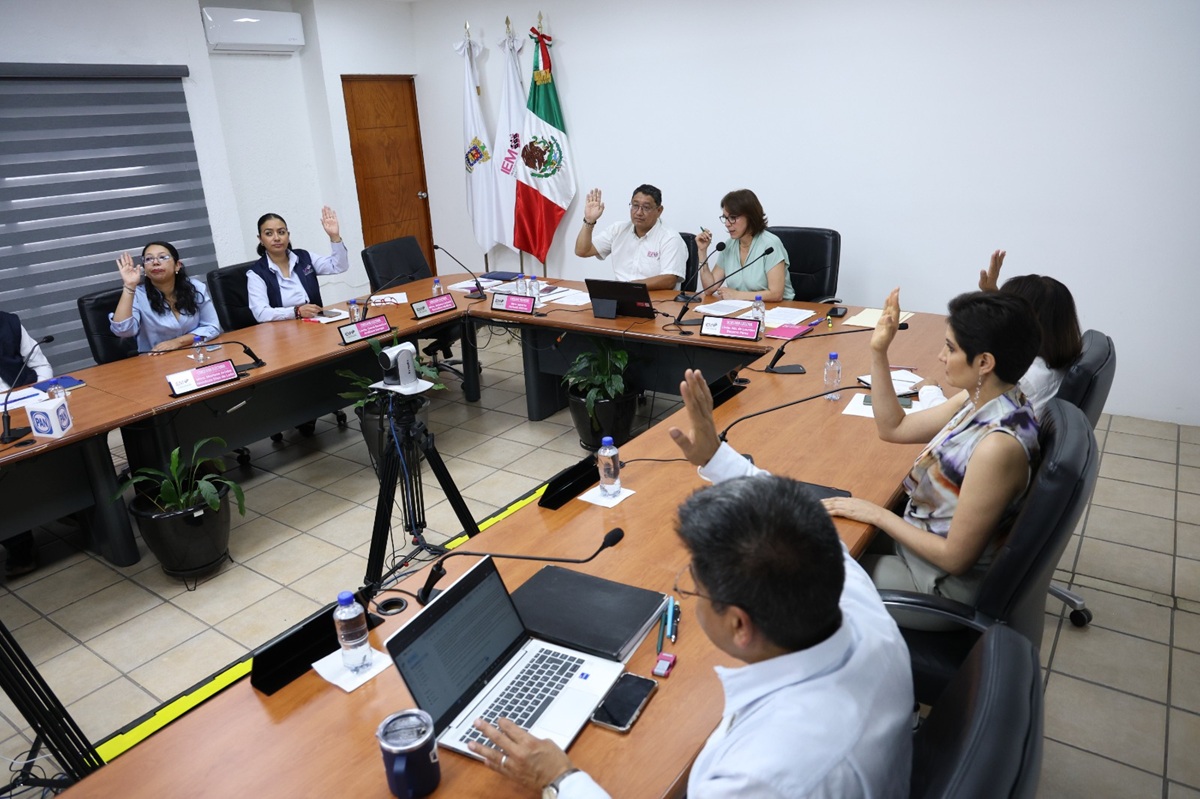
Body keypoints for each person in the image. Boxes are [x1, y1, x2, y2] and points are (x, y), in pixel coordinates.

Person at [466, 476, 913, 798]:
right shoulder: (864, 612)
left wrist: (561, 779)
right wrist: (716, 459)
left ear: (739, 625)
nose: (689, 592)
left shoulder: (764, 775)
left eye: (694, 587)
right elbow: (803, 528)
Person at [668, 288, 1042, 623]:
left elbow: (954, 558)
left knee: (783, 572)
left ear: (985, 363)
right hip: (915, 544)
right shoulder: (982, 398)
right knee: (798, 526)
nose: (940, 356)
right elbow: (893, 427)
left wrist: (877, 514)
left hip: (934, 584)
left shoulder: (997, 447)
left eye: (951, 348)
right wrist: (878, 351)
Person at [979, 249, 1083, 416]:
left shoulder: (1021, 378)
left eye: (1007, 310)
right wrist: (993, 297)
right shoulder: (1053, 362)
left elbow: (966, 418)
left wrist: (933, 390)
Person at [1, 310, 54, 577]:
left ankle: (74, 508)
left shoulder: (7, 322)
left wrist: (37, 395)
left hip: (22, 401)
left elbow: (40, 365)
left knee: (61, 446)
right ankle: (19, 544)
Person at [109, 242, 221, 352]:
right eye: (149, 259)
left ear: (177, 265)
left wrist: (178, 342)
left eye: (162, 257)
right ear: (145, 269)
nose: (155, 262)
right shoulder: (137, 295)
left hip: (196, 354)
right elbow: (123, 331)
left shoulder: (195, 288)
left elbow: (212, 327)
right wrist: (129, 286)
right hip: (155, 359)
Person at [574, 185, 687, 290]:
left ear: (659, 210)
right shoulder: (618, 230)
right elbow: (582, 251)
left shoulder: (670, 238)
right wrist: (589, 220)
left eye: (646, 207)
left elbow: (669, 280)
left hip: (656, 299)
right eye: (635, 206)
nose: (639, 212)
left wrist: (629, 287)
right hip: (621, 296)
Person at [247, 206, 348, 322]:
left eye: (281, 232)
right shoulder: (256, 274)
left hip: (315, 323)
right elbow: (261, 313)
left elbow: (339, 266)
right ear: (260, 239)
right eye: (269, 233)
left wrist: (334, 236)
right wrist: (296, 311)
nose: (277, 238)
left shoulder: (304, 257)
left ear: (288, 235)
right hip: (282, 329)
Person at [696, 189, 793, 301]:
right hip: (742, 308)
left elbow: (776, 294)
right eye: (725, 218)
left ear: (750, 217)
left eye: (733, 218)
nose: (727, 224)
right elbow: (709, 288)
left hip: (776, 308)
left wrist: (737, 295)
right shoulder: (729, 245)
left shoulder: (770, 245)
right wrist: (702, 251)